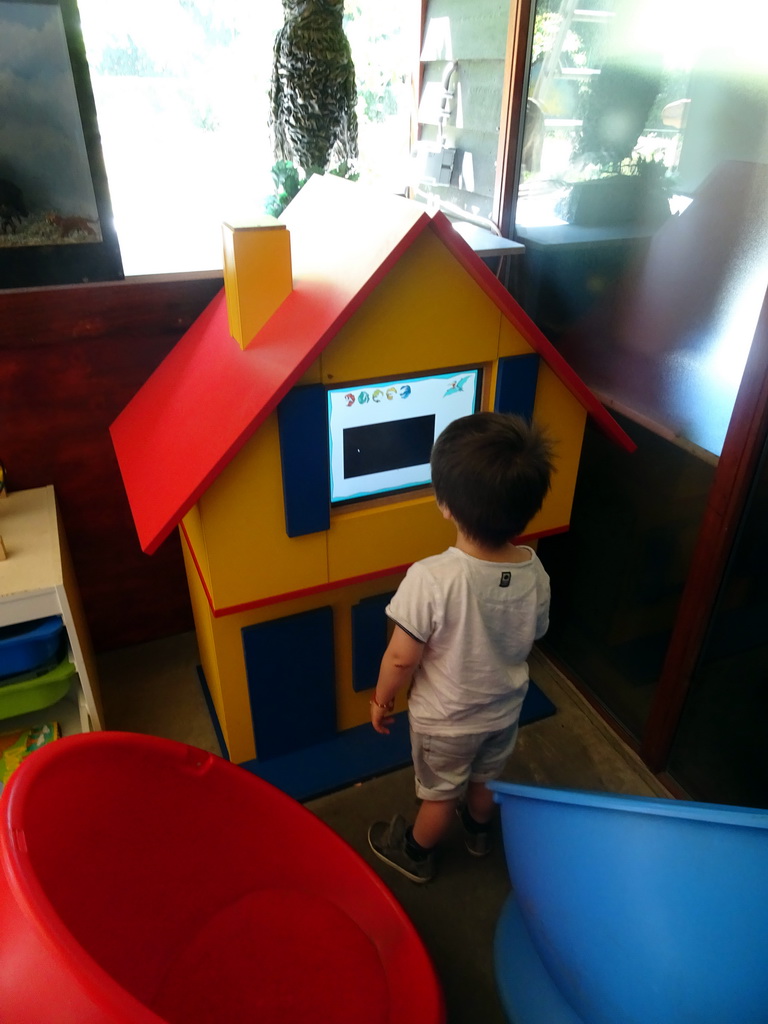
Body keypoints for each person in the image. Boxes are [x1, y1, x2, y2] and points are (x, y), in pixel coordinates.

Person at [367, 412, 554, 883]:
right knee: (486, 779)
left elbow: (401, 657)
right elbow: (534, 632)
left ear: (444, 503)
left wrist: (381, 698)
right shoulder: (536, 572)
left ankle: (414, 850)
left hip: (447, 721)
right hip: (503, 710)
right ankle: (478, 832)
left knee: (438, 795)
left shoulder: (431, 577)